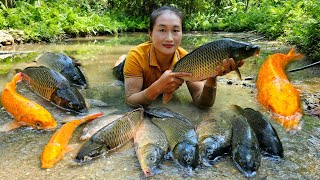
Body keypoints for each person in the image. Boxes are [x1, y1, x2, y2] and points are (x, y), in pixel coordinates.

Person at [114, 6, 243, 108]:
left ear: (182, 33)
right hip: (125, 68)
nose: (169, 38)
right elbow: (130, 100)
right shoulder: (136, 56)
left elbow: (202, 103)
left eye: (175, 30)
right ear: (150, 34)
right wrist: (157, 88)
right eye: (162, 30)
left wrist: (212, 76)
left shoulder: (188, 59)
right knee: (118, 69)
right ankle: (121, 60)